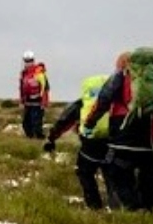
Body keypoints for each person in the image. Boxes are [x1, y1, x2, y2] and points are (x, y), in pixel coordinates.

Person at [81, 49, 153, 210]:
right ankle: (150, 207)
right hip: (147, 131)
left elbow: (104, 100)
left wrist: (90, 122)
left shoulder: (120, 76)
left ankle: (131, 208)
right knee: (148, 170)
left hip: (123, 132)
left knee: (119, 171)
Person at [44, 74, 119, 210]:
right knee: (112, 176)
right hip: (112, 144)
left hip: (90, 146)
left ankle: (94, 206)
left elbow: (64, 121)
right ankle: (117, 208)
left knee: (85, 172)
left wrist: (51, 138)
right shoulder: (117, 102)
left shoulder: (82, 104)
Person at [18, 50, 49, 139]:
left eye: (30, 61)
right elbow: (21, 88)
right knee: (26, 124)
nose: (28, 63)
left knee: (36, 124)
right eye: (26, 61)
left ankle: (40, 140)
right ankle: (31, 139)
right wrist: (21, 101)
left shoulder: (39, 72)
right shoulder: (24, 74)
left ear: (33, 60)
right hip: (28, 103)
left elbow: (45, 87)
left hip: (38, 103)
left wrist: (44, 101)